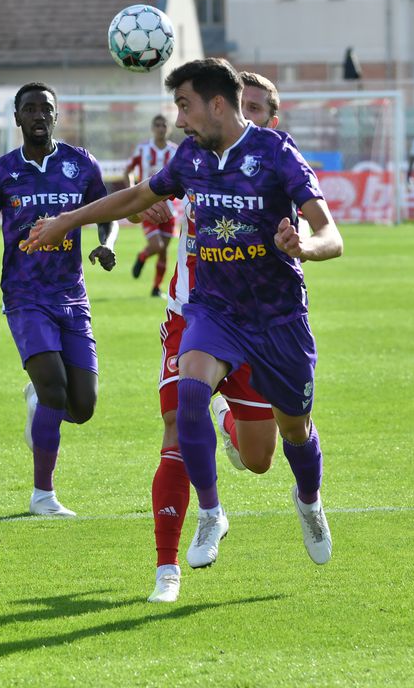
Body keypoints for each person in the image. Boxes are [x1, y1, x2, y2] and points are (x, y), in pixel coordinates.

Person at [26, 58, 343, 571]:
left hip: (276, 318)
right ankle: (211, 513)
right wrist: (69, 221)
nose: (178, 120)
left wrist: (304, 245)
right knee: (189, 390)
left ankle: (308, 501)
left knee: (290, 438)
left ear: (218, 104)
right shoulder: (192, 156)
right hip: (211, 311)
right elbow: (138, 195)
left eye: (184, 105)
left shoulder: (276, 154)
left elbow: (332, 235)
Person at [144, 70, 285, 603]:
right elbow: (182, 195)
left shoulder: (276, 164)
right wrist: (160, 206)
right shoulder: (199, 156)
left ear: (269, 119)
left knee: (259, 460)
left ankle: (228, 421)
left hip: (254, 325)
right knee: (176, 429)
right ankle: (166, 567)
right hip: (192, 315)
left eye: (255, 107)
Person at [0, 82, 118, 516]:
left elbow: (106, 215)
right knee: (54, 390)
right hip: (25, 295)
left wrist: (107, 244)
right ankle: (42, 495)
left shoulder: (80, 164)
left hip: (72, 295)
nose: (37, 116)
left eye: (44, 109)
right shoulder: (2, 172)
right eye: (28, 109)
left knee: (82, 406)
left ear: (56, 116)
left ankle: (37, 401)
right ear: (17, 119)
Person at [124, 114, 178, 297]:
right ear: (152, 128)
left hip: (170, 207)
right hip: (147, 205)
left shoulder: (175, 151)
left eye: (164, 125)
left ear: (168, 128)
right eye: (157, 125)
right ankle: (142, 256)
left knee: (164, 250)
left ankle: (156, 288)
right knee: (156, 245)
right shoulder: (143, 149)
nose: (161, 128)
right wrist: (133, 192)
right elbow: (128, 171)